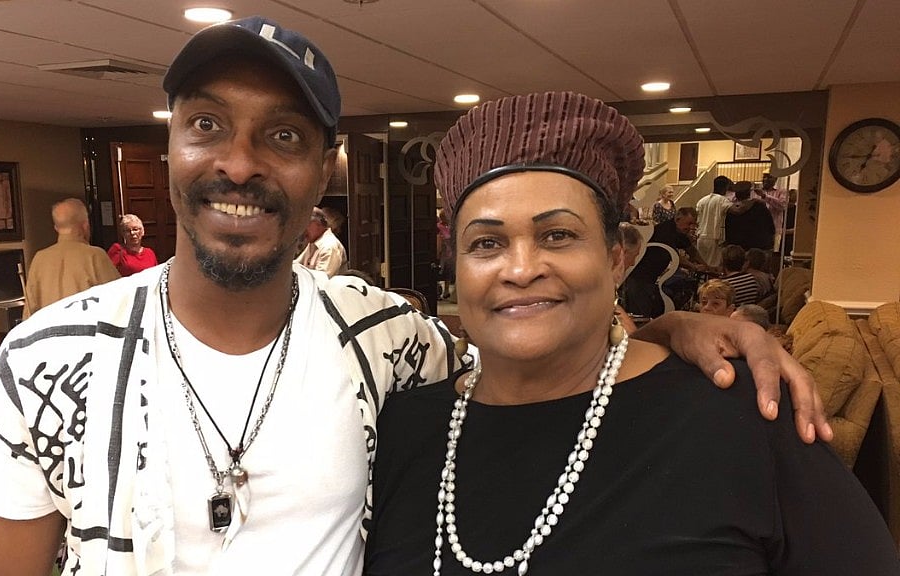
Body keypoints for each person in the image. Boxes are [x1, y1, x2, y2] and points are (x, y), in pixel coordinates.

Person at [0, 18, 831, 576]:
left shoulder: (389, 342)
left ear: (321, 173)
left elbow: (540, 352)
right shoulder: (49, 359)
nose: (238, 162)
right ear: (170, 149)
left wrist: (671, 329)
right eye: (206, 125)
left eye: (282, 136)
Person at [365, 91, 896, 576]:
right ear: (456, 268)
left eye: (558, 235)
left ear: (618, 259)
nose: (521, 269)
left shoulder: (741, 415)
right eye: (486, 243)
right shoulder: (403, 429)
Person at [23, 197, 120, 317]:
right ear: (86, 226)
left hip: (49, 328)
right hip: (86, 327)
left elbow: (29, 311)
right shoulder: (95, 256)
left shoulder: (39, 259)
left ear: (56, 228)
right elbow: (119, 300)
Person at [295, 206, 347, 276]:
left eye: (306, 225)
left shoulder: (329, 246)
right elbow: (296, 265)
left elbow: (321, 279)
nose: (303, 230)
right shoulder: (313, 242)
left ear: (318, 224)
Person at [725, 180, 775, 251]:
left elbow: (728, 230)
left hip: (737, 248)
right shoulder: (760, 206)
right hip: (758, 247)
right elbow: (770, 227)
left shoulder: (731, 209)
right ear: (749, 193)